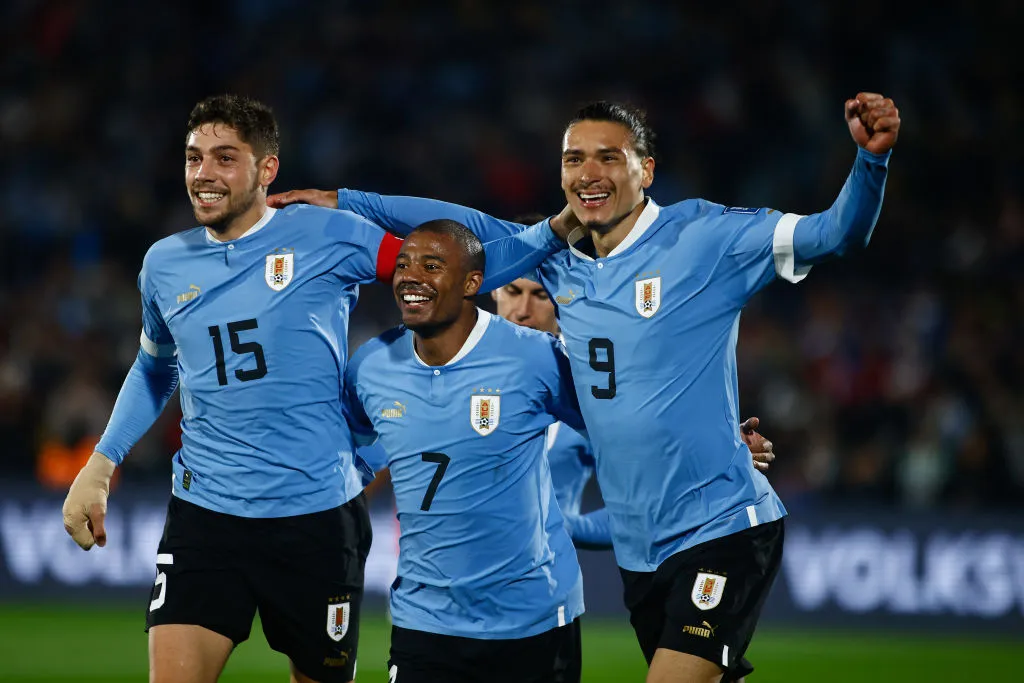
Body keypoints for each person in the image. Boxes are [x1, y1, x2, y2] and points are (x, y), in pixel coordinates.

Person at [268, 91, 901, 683]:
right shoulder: (560, 264)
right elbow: (455, 223)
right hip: (642, 554)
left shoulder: (706, 237)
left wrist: (871, 160)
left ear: (645, 170)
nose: (588, 172)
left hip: (723, 525)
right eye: (574, 159)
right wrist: (344, 199)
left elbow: (835, 232)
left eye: (608, 157)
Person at [59, 94, 575, 683]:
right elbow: (155, 367)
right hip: (207, 516)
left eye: (225, 158)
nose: (203, 174)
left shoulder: (328, 234)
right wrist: (102, 463)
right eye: (193, 157)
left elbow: (454, 264)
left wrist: (555, 233)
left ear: (267, 169)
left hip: (317, 519)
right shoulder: (164, 264)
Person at [345, 219, 585, 683]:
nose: (411, 276)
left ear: (474, 282)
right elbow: (349, 454)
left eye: (431, 265)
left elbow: (618, 427)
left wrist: (719, 441)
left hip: (531, 616)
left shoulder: (535, 357)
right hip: (424, 619)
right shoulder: (371, 365)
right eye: (404, 264)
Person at [491, 215, 776, 551]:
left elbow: (655, 495)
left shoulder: (596, 382)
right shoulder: (445, 354)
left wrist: (719, 447)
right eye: (513, 291)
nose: (522, 310)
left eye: (539, 295)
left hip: (533, 583)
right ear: (494, 288)